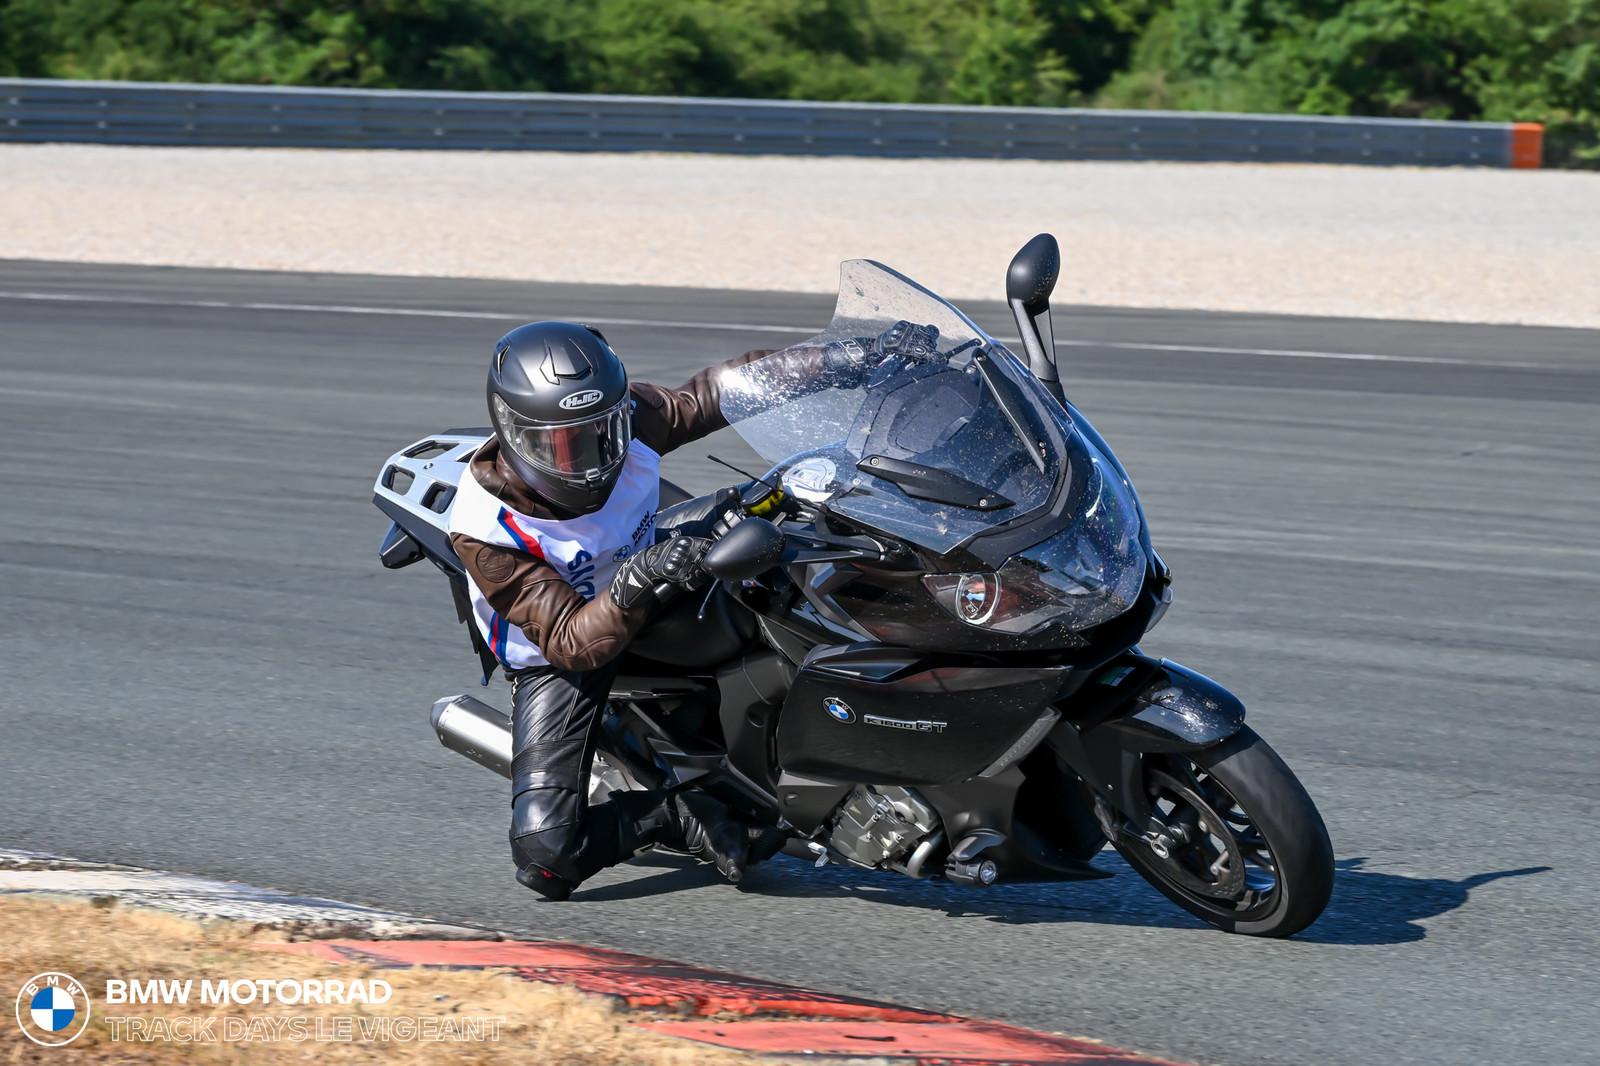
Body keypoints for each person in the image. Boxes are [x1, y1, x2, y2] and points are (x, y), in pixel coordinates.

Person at [446, 317, 937, 901]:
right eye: (562, 445)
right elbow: (572, 642)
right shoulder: (486, 532)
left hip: (651, 558)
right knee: (548, 855)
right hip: (563, 648)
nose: (588, 459)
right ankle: (676, 815)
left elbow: (724, 390)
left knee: (799, 538)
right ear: (514, 433)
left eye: (599, 432)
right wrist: (639, 578)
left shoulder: (628, 423)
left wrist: (854, 356)